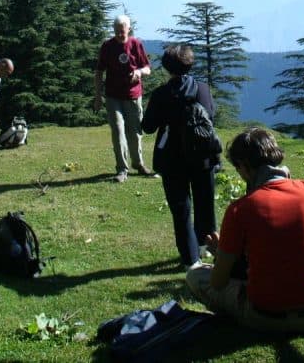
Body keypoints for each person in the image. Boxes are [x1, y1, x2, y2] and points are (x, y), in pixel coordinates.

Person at [186, 128, 304, 332]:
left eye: (238, 168)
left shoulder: (240, 209)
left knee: (194, 275)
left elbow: (218, 282)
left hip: (262, 317)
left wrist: (221, 254)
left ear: (245, 167)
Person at [142, 45, 219, 270]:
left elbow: (148, 127)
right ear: (190, 63)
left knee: (181, 209)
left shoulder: (160, 94)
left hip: (172, 159)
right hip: (202, 156)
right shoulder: (202, 89)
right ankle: (206, 245)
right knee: (205, 203)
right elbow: (211, 115)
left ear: (166, 68)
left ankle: (190, 258)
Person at [94, 15, 155, 182]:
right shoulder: (107, 46)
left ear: (129, 28)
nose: (120, 34)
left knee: (135, 132)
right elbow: (99, 72)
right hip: (113, 97)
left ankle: (139, 164)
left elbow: (148, 68)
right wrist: (98, 97)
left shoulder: (136, 44)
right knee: (118, 131)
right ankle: (122, 169)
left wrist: (138, 72)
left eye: (123, 31)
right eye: (117, 31)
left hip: (133, 96)